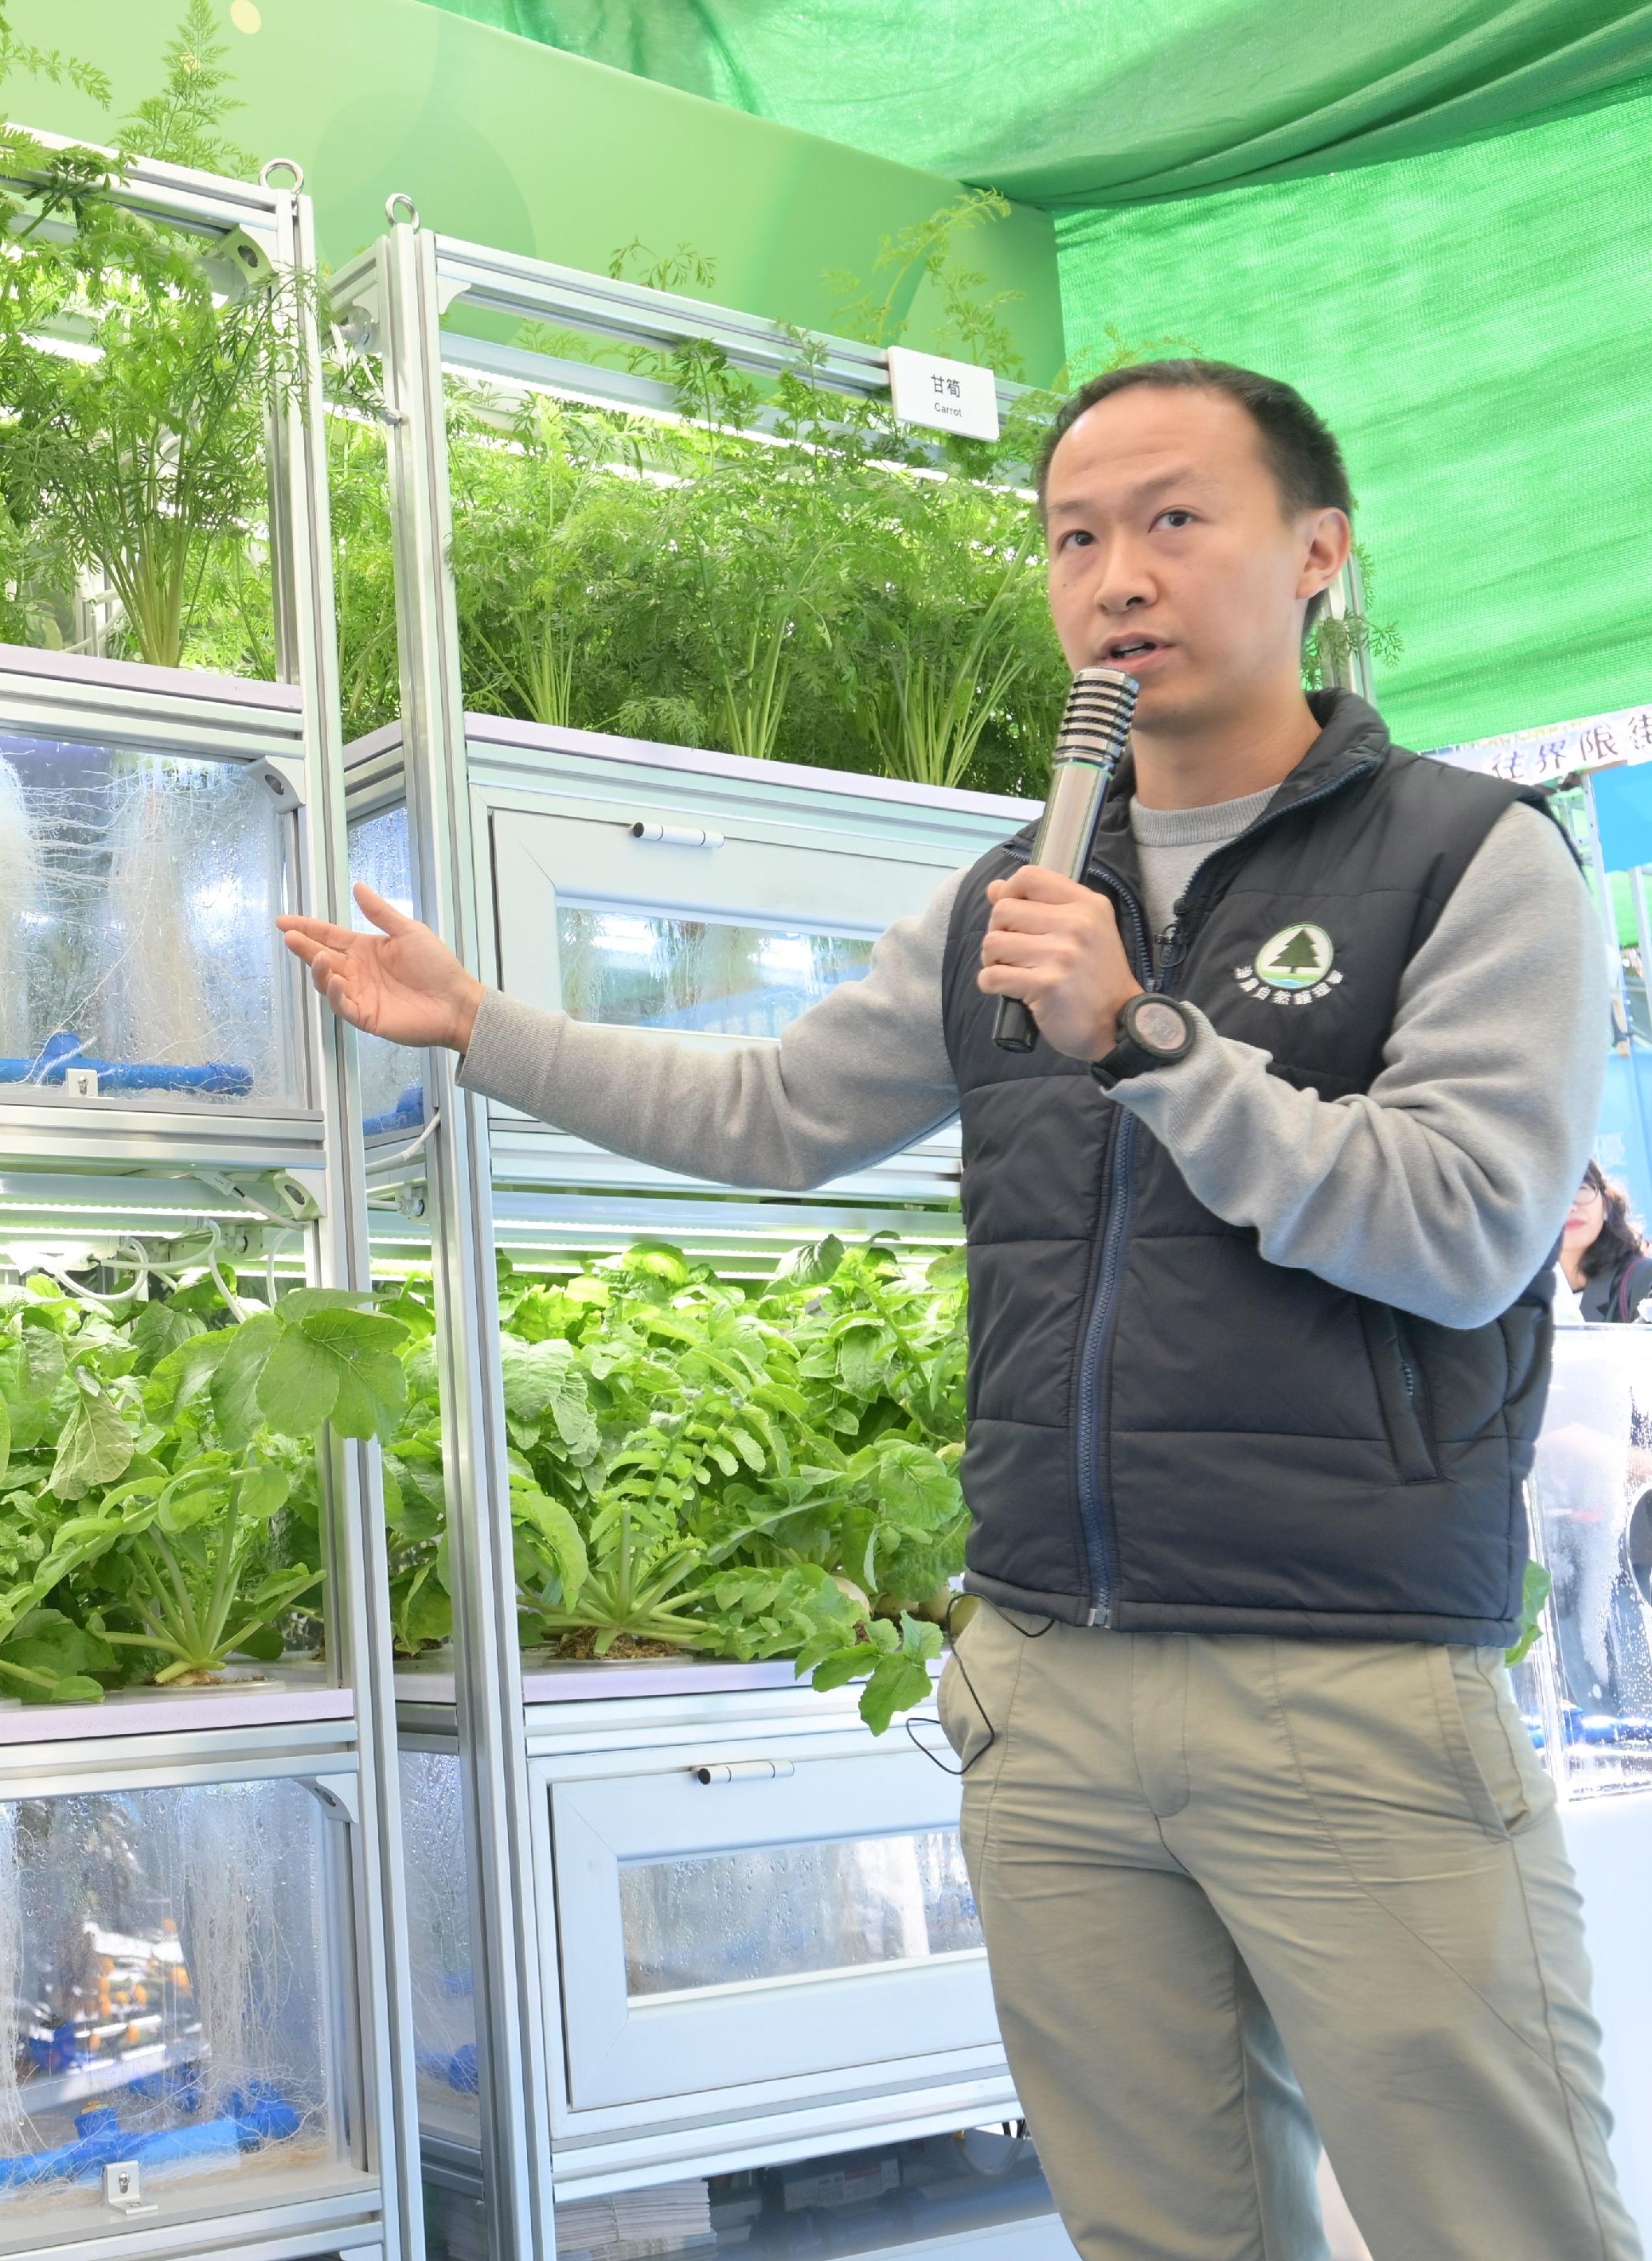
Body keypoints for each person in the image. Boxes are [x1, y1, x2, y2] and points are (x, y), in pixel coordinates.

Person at [282, 361, 1635, 2261]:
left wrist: (1144, 1036)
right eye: (1073, 537)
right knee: (1158, 2230)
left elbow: (1466, 1227)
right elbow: (769, 1111)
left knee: (1494, 2223)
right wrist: (477, 1024)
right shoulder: (1013, 888)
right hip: (1049, 1685)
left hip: (1343, 1676)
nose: (1115, 576)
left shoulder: (1467, 859)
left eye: (1173, 519)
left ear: (1315, 552)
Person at [1564, 1160, 1652, 1322]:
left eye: (1581, 1189)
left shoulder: (1644, 1279)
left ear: (1605, 1201)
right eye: (1553, 1197)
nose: (1571, 1207)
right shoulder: (1520, 1294)